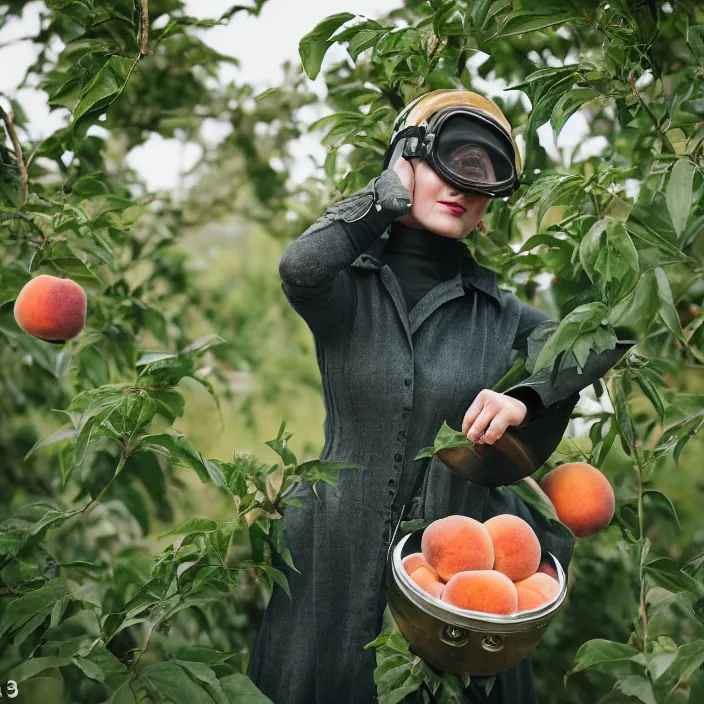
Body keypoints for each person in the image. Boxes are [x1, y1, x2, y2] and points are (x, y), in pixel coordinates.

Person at [247, 89, 627, 704]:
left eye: (483, 180)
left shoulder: (499, 314)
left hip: (462, 584)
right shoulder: (349, 292)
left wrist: (525, 397)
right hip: (330, 561)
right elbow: (301, 267)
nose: (463, 188)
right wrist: (382, 194)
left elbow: (603, 342)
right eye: (450, 163)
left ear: (488, 208)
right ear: (407, 163)